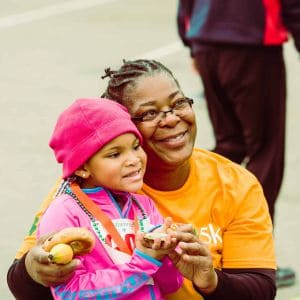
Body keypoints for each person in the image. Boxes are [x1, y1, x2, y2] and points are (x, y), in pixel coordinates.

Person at [7, 59, 276, 300]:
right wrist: (35, 268)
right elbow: (25, 284)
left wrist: (210, 280)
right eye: (149, 113)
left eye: (179, 102)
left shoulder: (236, 183)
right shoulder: (80, 191)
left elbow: (262, 288)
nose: (171, 118)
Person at [177, 0, 300, 287]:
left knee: (230, 145)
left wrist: (192, 40)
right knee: (265, 152)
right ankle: (248, 257)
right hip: (251, 43)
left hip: (206, 40)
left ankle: (207, 238)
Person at [36, 97, 184, 299]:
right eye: (115, 154)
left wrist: (169, 255)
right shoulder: (64, 212)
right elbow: (69, 293)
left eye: (135, 146)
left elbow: (171, 285)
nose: (133, 160)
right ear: (82, 167)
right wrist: (143, 264)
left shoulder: (144, 206)